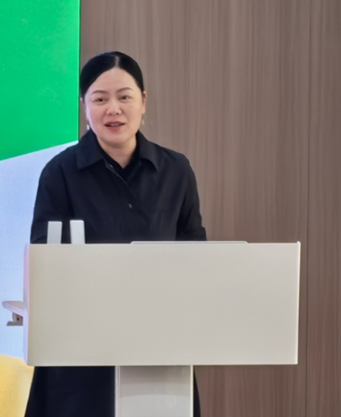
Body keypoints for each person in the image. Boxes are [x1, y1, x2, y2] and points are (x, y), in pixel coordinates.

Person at [24, 51, 206, 417]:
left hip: (158, 345)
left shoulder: (176, 171)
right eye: (100, 99)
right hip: (79, 353)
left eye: (124, 97)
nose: (114, 109)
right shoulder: (59, 173)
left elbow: (196, 256)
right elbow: (46, 261)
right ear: (84, 106)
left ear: (144, 101)